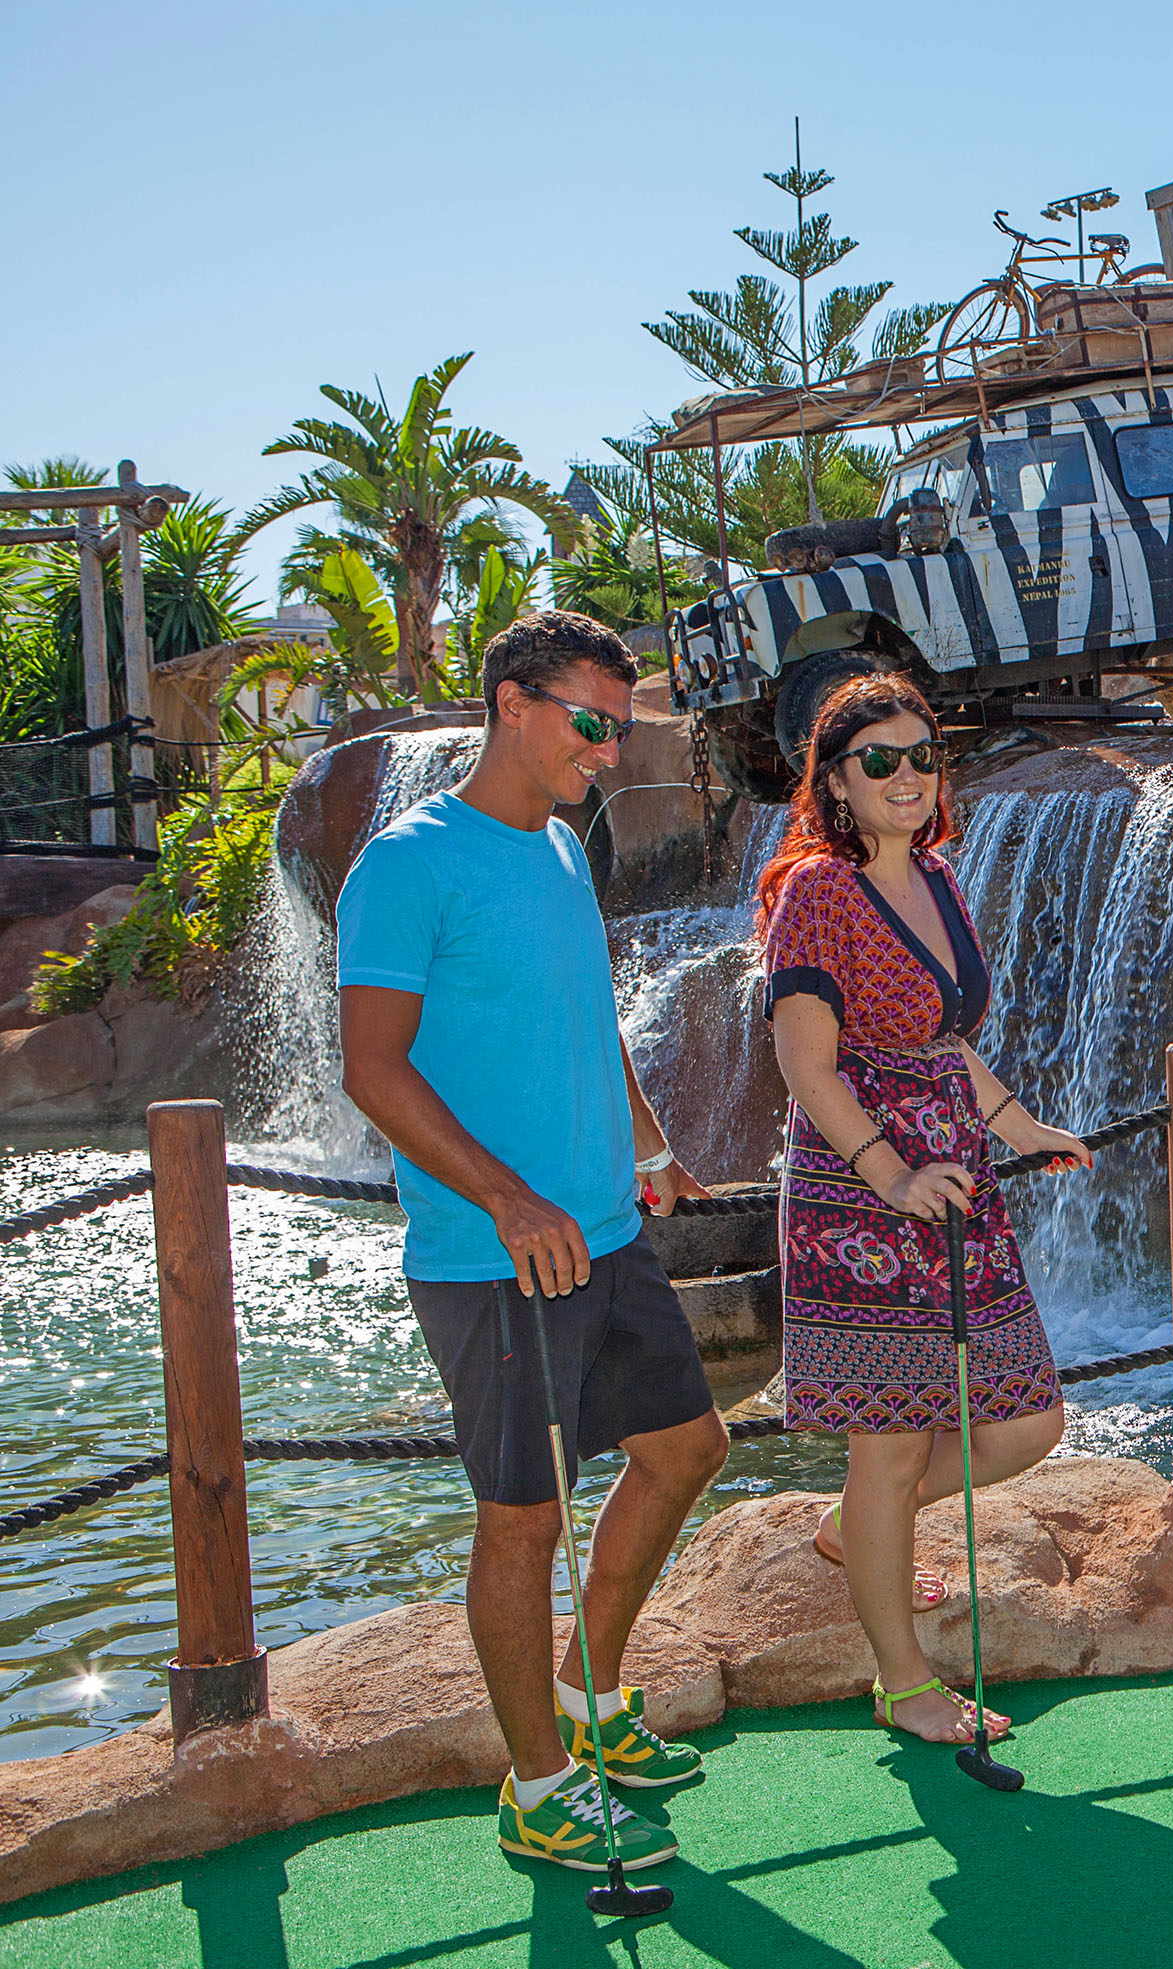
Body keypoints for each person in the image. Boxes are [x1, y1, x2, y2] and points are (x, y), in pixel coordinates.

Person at [337, 610, 724, 1874]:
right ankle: (537, 1784)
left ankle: (590, 1700)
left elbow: (587, 1017)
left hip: (605, 1232)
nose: (609, 750)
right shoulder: (406, 866)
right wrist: (508, 1201)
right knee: (520, 1523)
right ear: (513, 701)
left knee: (686, 1449)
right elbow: (371, 1070)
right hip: (492, 1259)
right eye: (591, 723)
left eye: (622, 726)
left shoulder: (561, 848)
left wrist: (651, 1141)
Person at [756, 673, 1091, 1752]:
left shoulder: (938, 875)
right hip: (864, 1196)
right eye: (880, 761)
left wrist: (1019, 1124)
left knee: (1028, 1418)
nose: (909, 776)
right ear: (837, 784)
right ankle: (902, 1680)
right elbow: (805, 1064)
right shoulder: (816, 890)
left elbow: (945, 1038)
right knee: (891, 1450)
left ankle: (856, 1528)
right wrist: (889, 1172)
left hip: (956, 1186)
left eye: (922, 756)